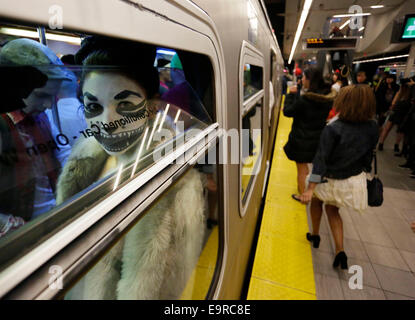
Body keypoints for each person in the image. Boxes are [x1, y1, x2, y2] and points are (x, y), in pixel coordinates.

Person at [60, 36, 207, 300]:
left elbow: (166, 288)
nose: (107, 123)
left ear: (151, 107)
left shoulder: (177, 187)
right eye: (93, 106)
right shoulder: (85, 160)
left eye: (125, 104)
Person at [300, 84, 379, 269]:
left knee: (318, 202)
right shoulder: (372, 127)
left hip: (328, 178)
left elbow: (321, 159)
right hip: (350, 179)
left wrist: (310, 188)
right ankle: (340, 251)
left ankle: (316, 234)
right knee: (334, 211)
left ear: (345, 102)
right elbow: (368, 156)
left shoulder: (334, 128)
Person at [0, 38, 72, 237]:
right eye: (41, 96)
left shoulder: (40, 116)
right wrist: (18, 231)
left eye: (52, 96)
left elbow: (64, 154)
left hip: (53, 217)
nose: (49, 106)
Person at [283, 68, 336, 201]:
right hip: (317, 138)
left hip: (301, 139)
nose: (302, 81)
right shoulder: (327, 99)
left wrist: (290, 95)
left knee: (301, 168)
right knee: (311, 167)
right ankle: (309, 190)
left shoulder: (305, 100)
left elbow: (288, 111)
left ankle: (303, 195)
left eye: (304, 78)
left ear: (310, 80)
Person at [378, 81, 412, 153]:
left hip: (396, 112)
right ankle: (395, 145)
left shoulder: (401, 93)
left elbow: (393, 103)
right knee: (399, 131)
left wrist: (392, 108)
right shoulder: (407, 95)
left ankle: (381, 143)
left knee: (388, 128)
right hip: (401, 113)